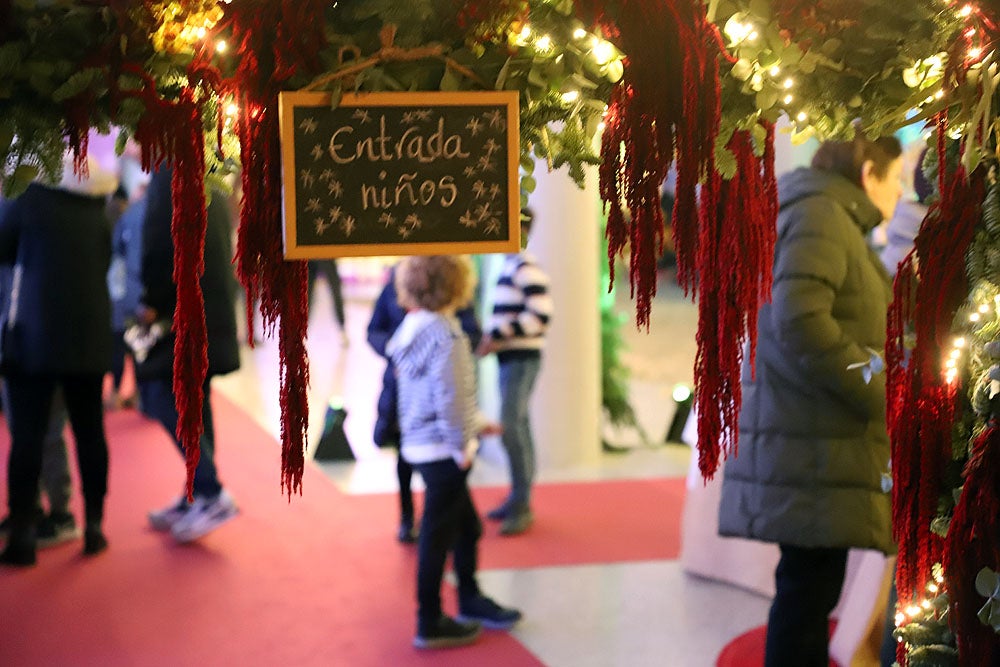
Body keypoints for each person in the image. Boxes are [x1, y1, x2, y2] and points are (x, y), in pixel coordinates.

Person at [718, 132, 903, 666]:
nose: (897, 193)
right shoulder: (822, 214)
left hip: (816, 441)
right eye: (893, 178)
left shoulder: (827, 214)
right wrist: (875, 384)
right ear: (868, 172)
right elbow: (800, 320)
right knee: (806, 593)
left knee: (809, 590)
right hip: (812, 444)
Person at [387, 254, 521, 649]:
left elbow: (428, 393)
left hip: (420, 444)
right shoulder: (447, 335)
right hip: (445, 450)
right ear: (456, 285)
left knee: (467, 527)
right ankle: (430, 620)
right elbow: (450, 398)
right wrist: (464, 442)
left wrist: (476, 423)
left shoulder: (411, 329)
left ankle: (470, 597)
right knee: (437, 535)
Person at [0, 154, 118, 566]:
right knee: (90, 433)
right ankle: (95, 526)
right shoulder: (96, 207)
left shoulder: (25, 199)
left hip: (35, 335)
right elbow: (105, 260)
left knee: (28, 437)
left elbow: (3, 245)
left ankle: (22, 538)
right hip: (89, 337)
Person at [136, 167, 240, 543]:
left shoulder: (170, 173)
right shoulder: (204, 166)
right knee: (197, 402)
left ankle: (210, 491)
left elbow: (159, 242)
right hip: (206, 305)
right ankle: (196, 493)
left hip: (180, 309)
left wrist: (149, 297)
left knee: (161, 394)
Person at [367, 264, 482, 543]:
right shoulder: (398, 281)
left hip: (431, 417)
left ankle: (450, 545)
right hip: (410, 402)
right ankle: (407, 518)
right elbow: (375, 331)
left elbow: (471, 332)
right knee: (405, 461)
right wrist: (398, 354)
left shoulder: (447, 327)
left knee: (454, 516)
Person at [477, 210, 553, 535]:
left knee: (513, 426)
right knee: (516, 426)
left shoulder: (526, 268)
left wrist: (496, 336)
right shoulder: (512, 267)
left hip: (522, 358)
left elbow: (541, 317)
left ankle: (522, 501)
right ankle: (518, 497)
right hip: (512, 359)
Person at [0, 386, 78, 547]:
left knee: (51, 432)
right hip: (14, 365)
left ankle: (61, 515)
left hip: (52, 366)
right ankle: (30, 509)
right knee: (19, 432)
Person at [106, 182, 148, 410]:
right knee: (139, 346)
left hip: (123, 292)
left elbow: (117, 251)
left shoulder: (127, 217)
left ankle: (115, 393)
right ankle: (141, 394)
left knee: (119, 344)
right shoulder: (152, 213)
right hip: (142, 292)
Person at [308, 259, 349, 346]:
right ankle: (302, 333)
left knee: (335, 290)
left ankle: (342, 329)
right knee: (306, 294)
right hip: (308, 254)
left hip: (322, 253)